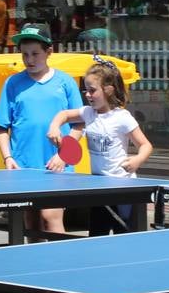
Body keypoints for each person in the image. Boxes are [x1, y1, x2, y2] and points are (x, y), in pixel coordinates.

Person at [46, 59, 153, 235]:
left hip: (124, 188)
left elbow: (145, 145)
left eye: (92, 90)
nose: (87, 94)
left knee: (126, 239)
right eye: (85, 90)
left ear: (108, 89)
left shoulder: (122, 117)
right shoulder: (88, 113)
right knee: (97, 236)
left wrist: (138, 159)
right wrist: (54, 126)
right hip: (99, 188)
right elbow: (64, 114)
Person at [0, 23, 82, 237]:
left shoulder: (65, 82)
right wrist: (8, 158)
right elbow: (1, 127)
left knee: (50, 216)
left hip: (57, 165)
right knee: (31, 220)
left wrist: (64, 155)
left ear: (48, 52)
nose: (30, 60)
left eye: (35, 54)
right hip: (23, 166)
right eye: (25, 55)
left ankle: (60, 263)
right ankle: (36, 261)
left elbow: (80, 122)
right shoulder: (12, 83)